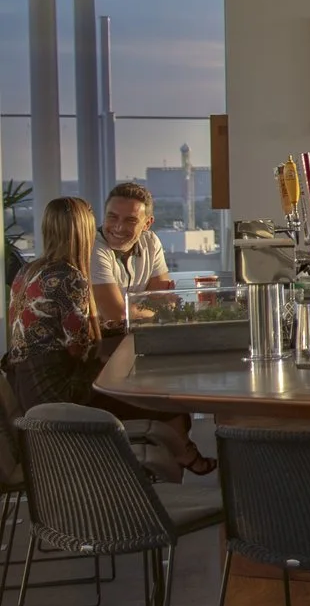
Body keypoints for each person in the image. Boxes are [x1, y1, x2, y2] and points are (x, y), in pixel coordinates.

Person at [6, 196, 211, 474]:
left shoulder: (27, 271)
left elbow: (54, 334)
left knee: (142, 387)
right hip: (59, 395)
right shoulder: (68, 275)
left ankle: (180, 455)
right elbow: (80, 348)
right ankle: (176, 460)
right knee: (154, 394)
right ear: (83, 230)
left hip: (28, 388)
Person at [92, 182, 178, 327]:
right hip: (102, 343)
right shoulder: (93, 247)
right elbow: (116, 315)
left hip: (139, 338)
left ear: (147, 224)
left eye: (130, 220)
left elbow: (163, 303)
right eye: (112, 217)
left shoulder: (151, 242)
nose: (119, 227)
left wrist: (132, 312)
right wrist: (155, 308)